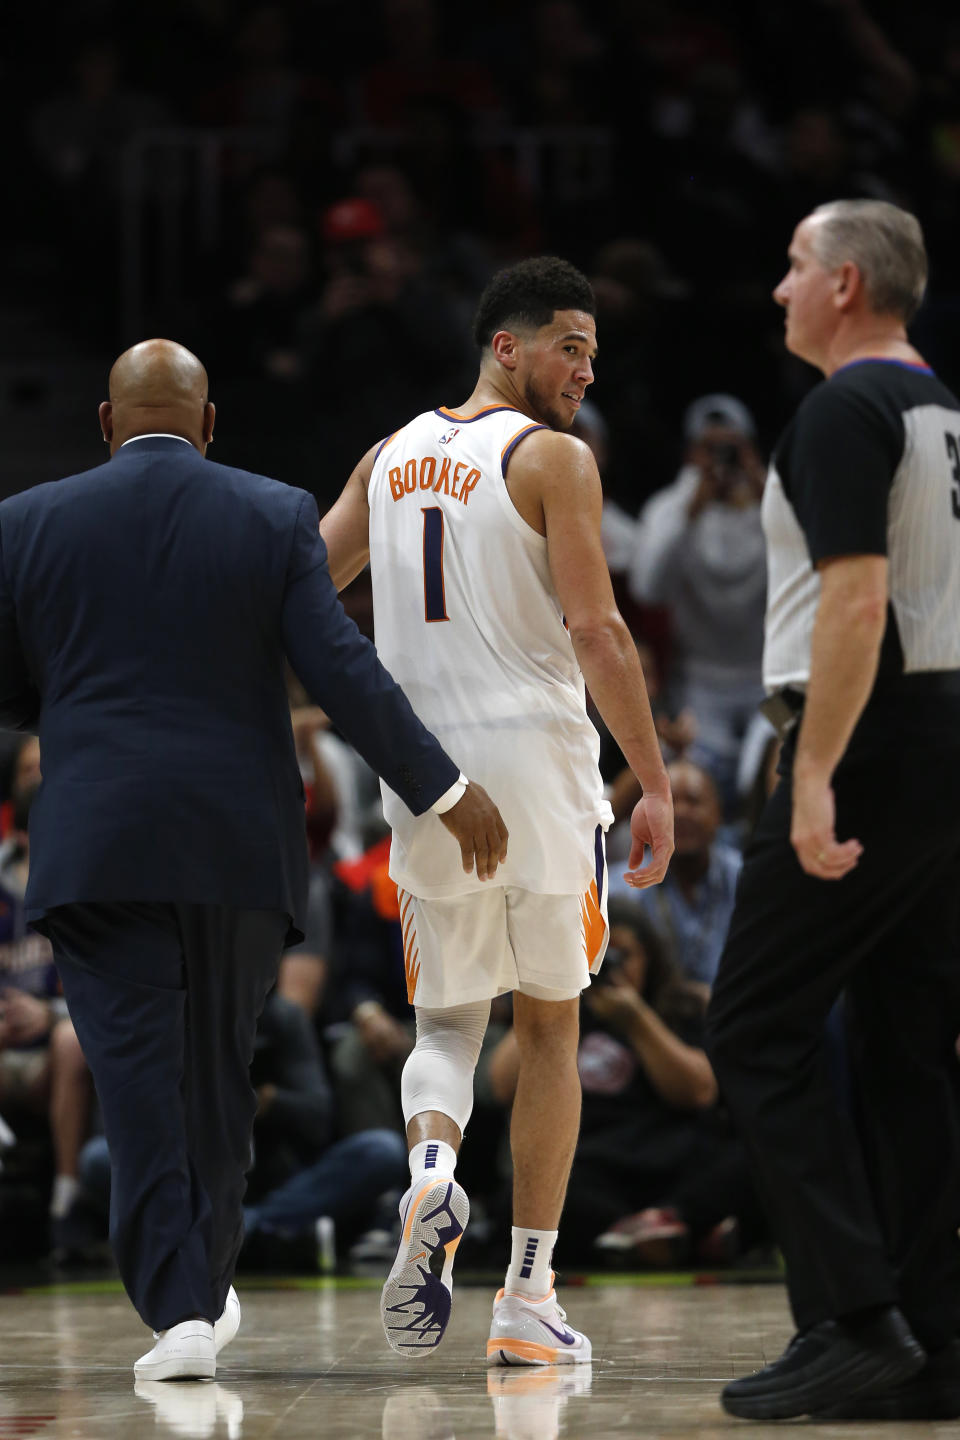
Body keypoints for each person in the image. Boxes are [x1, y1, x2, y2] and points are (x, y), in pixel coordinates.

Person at [0, 339, 507, 1383]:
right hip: (236, 841)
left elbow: (14, 690)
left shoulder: (26, 523)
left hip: (98, 842)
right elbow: (344, 670)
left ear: (103, 421)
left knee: (135, 1077)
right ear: (211, 422)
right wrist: (443, 787)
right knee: (219, 1072)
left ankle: (179, 1310)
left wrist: (79, 711)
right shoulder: (274, 513)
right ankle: (201, 1288)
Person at [319, 256, 674, 1364]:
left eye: (595, 353)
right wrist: (653, 779)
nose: (586, 369)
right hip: (544, 772)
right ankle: (526, 1295)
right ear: (504, 345)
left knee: (446, 1027)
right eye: (571, 345)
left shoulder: (386, 458)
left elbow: (299, 586)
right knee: (553, 1025)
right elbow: (600, 632)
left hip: (427, 775)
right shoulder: (554, 459)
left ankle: (430, 1173)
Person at [705, 199, 960, 1422]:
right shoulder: (945, 411)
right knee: (910, 1042)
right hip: (946, 738)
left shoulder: (844, 409)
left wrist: (812, 771)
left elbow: (856, 605)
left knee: (754, 1026)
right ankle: (935, 1335)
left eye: (795, 264)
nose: (779, 288)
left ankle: (854, 1315)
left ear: (847, 283)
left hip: (868, 734)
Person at [627, 393, 767, 812]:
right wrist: (692, 505)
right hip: (701, 683)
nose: (721, 457)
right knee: (700, 793)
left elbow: (812, 565)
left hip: (766, 679)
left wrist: (764, 486)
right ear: (691, 453)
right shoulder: (670, 508)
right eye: (710, 447)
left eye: (731, 447)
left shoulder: (775, 504)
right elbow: (646, 587)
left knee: (775, 778)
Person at [609, 759, 741, 993]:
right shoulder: (620, 889)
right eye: (668, 803)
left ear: (718, 813)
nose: (680, 812)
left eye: (693, 801)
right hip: (651, 1015)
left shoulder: (744, 880)